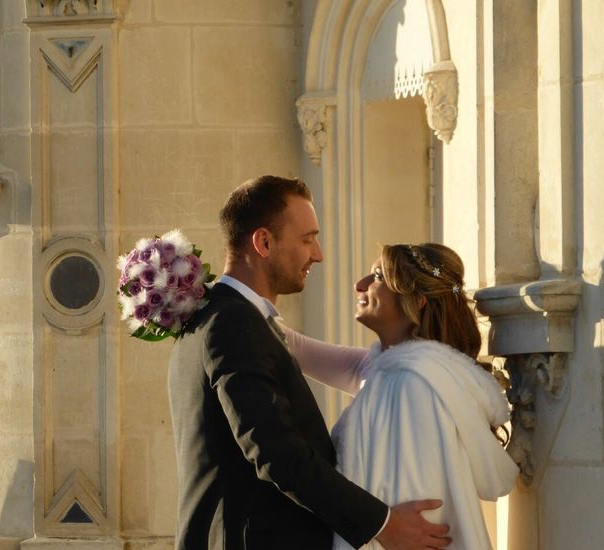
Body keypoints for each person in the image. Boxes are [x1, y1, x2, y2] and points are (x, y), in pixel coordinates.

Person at [168, 175, 452, 550]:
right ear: (264, 242)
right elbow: (274, 452)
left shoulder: (221, 317)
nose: (317, 254)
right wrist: (384, 524)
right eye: (307, 239)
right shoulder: (234, 323)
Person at [281, 243, 520, 549]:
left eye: (377, 276)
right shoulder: (394, 369)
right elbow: (290, 346)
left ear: (416, 301)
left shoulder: (411, 385)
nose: (360, 285)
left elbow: (417, 515)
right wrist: (206, 293)